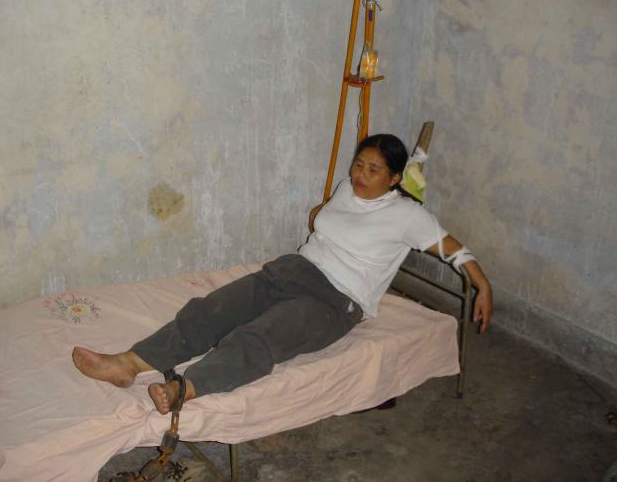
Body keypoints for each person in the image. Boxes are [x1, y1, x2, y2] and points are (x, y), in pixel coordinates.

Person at [73, 134, 493, 414]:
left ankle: (184, 389)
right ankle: (129, 362)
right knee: (210, 310)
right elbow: (326, 218)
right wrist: (320, 217)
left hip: (336, 301)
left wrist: (483, 285)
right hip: (294, 270)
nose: (359, 176)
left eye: (373, 170)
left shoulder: (407, 215)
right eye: (358, 164)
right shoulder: (347, 188)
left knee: (259, 337)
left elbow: (456, 251)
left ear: (396, 178)